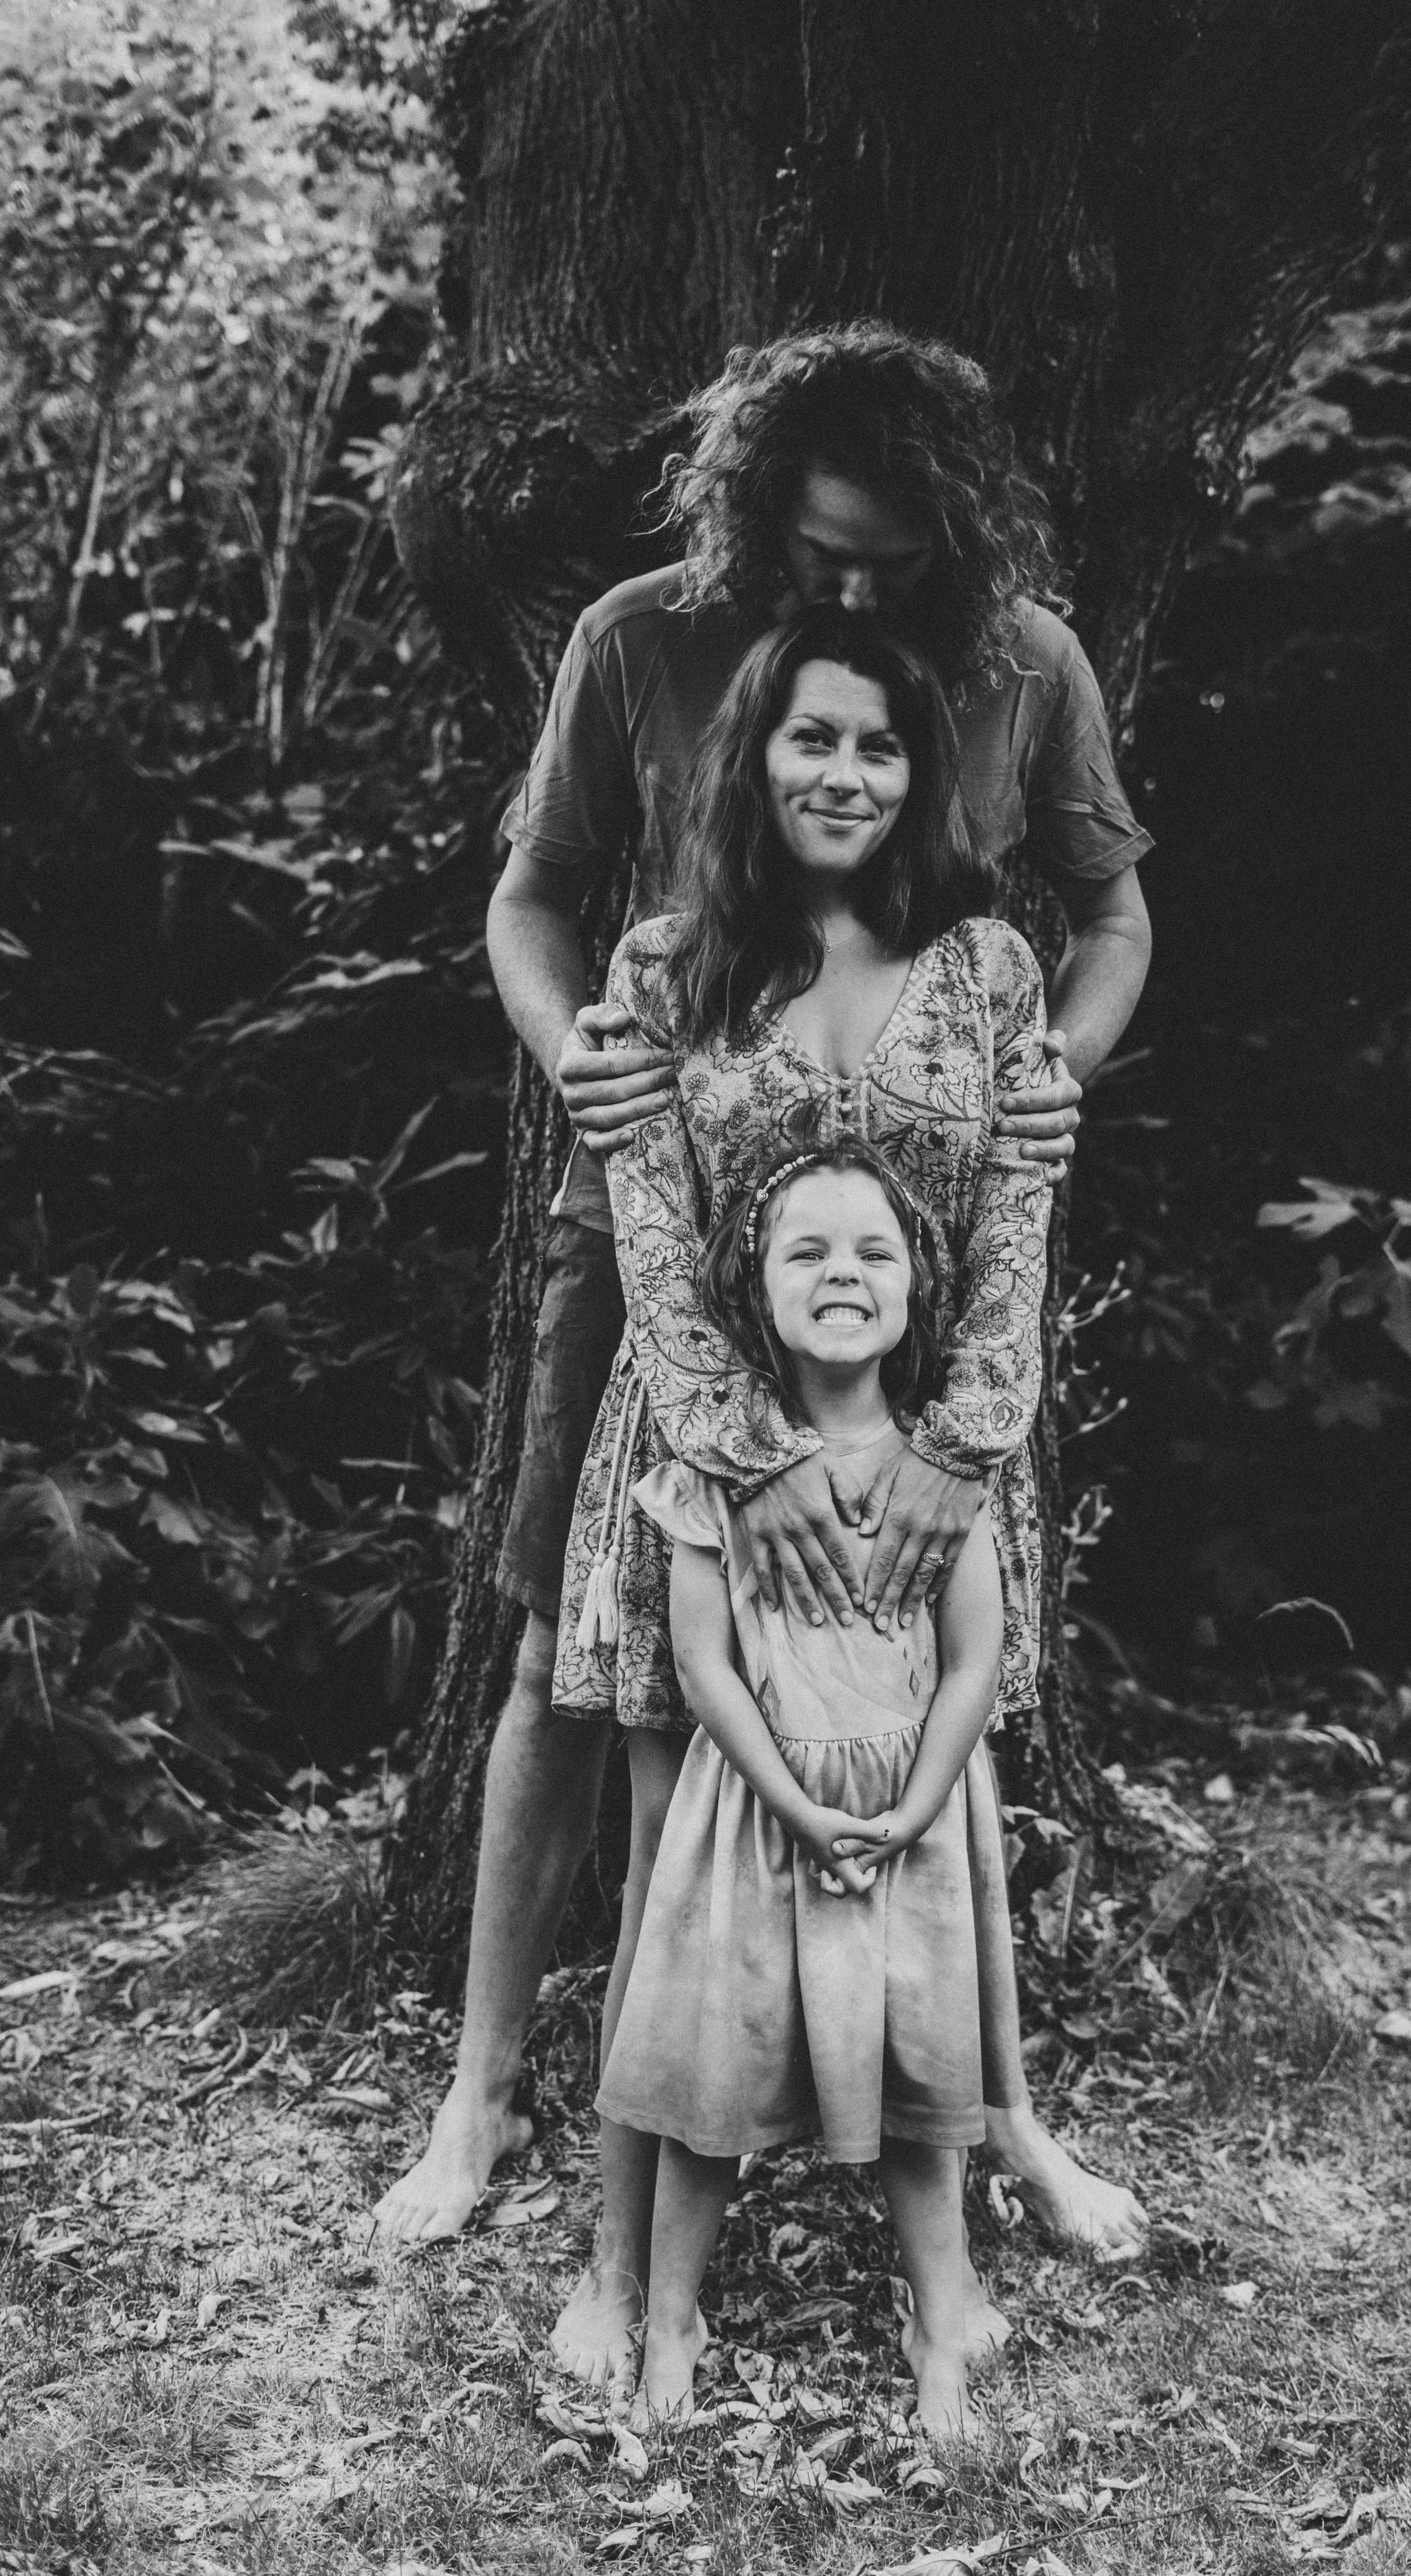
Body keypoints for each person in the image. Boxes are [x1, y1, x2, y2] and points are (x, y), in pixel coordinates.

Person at [373, 324, 1153, 2305]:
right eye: (823, 557)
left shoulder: (1025, 660)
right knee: (573, 1644)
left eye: (895, 561)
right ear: (754, 517)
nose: (859, 596)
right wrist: (583, 1056)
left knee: (931, 1644)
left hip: (912, 1256)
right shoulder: (638, 637)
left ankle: (990, 2108)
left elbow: (1109, 908)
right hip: (657, 1214)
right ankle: (483, 2087)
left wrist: (1048, 1070)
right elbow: (533, 896)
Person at [550, 610, 1054, 2398]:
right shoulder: (669, 964)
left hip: (922, 1476)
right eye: (810, 737)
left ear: (920, 773)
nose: (844, 773)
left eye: (880, 743)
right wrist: (746, 1461)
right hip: (704, 1467)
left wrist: (951, 1456)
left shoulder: (987, 971)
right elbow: (654, 1241)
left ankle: (949, 2212)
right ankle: (621, 2267)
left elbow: (1011, 1234)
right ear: (752, 755)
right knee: (672, 1870)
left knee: (923, 1845)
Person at [602, 1142, 1005, 2439]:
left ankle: (939, 2323)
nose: (844, 1273)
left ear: (916, 1286)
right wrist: (792, 1803)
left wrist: (912, 1809)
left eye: (874, 1250)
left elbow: (976, 1661)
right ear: (753, 1286)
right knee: (714, 2085)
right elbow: (703, 1668)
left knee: (920, 2088)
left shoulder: (946, 1481)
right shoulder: (715, 1477)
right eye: (808, 1250)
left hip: (905, 1822)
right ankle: (672, 2315)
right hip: (755, 1817)